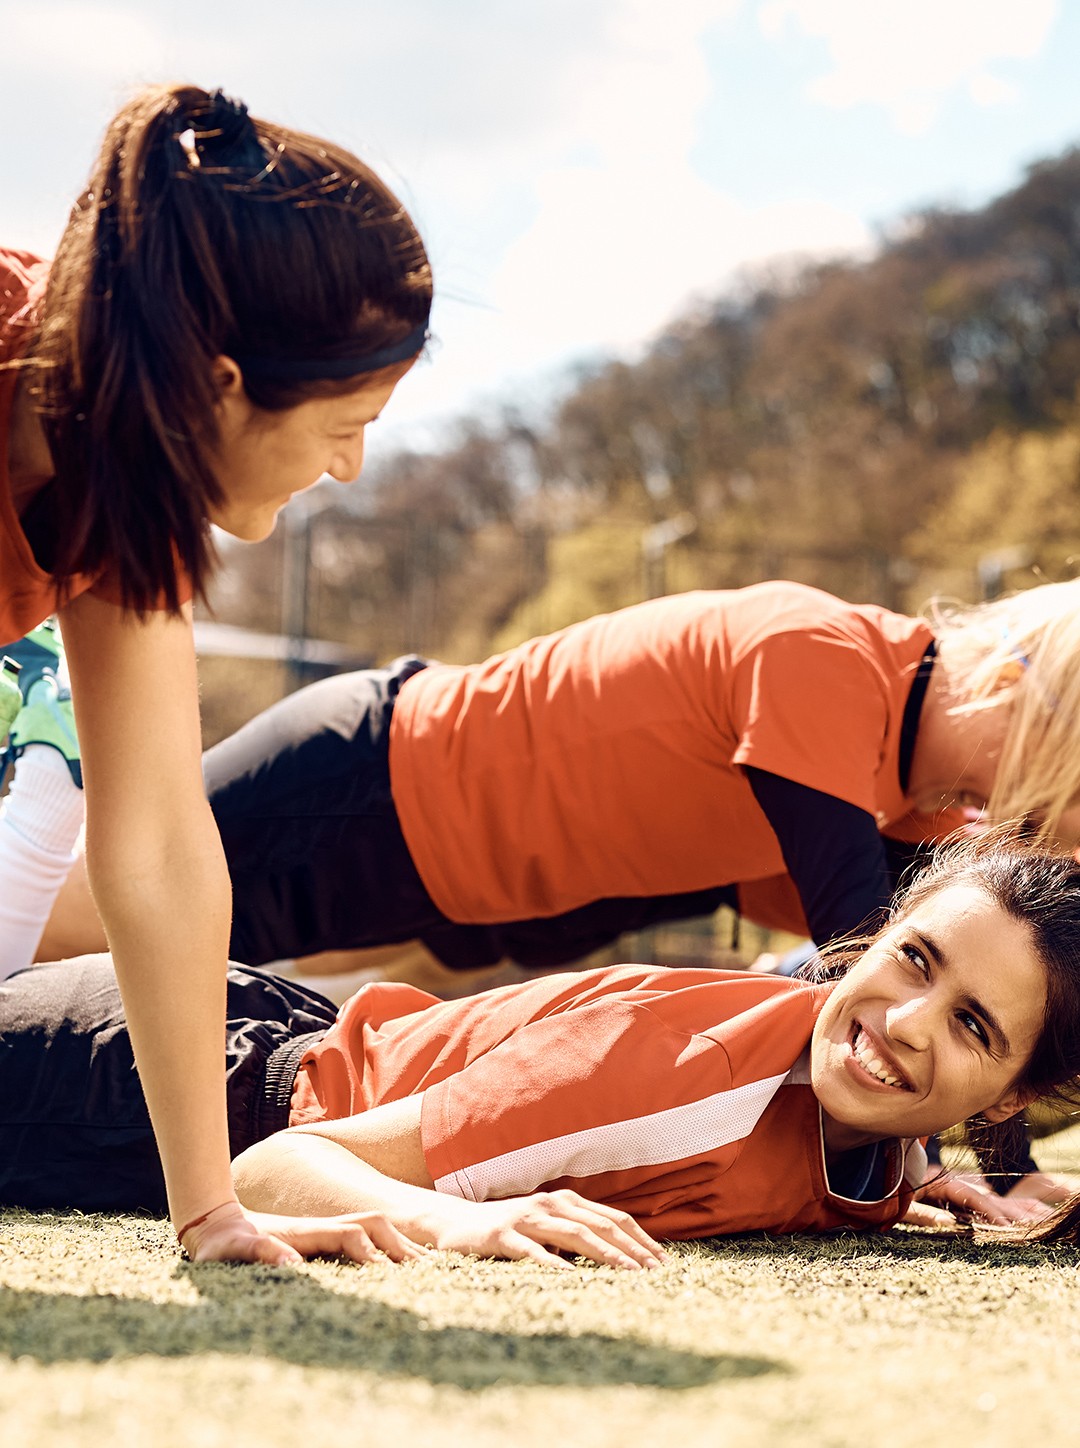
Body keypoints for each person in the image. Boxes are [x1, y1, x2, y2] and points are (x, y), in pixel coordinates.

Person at [0, 82, 432, 1263]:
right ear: (224, 386)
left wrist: (211, 1208)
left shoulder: (113, 471)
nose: (349, 467)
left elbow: (156, 842)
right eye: (349, 419)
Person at [6, 835, 1080, 1263]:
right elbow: (273, 1166)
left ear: (1012, 1094)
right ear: (868, 940)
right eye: (913, 959)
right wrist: (464, 1220)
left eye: (974, 1026)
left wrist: (926, 1175)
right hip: (166, 1078)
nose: (903, 1020)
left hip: (278, 1032)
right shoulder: (674, 1068)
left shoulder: (885, 1148)